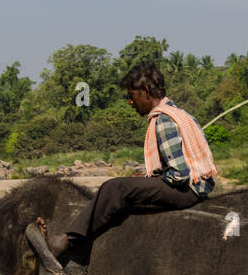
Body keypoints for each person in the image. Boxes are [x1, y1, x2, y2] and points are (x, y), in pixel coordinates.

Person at [48, 62, 217, 259]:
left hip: (189, 190)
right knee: (128, 186)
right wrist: (148, 179)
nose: (129, 101)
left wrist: (151, 181)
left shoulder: (163, 120)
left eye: (131, 95)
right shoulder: (179, 113)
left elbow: (179, 175)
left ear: (146, 91)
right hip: (198, 186)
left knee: (115, 188)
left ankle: (68, 241)